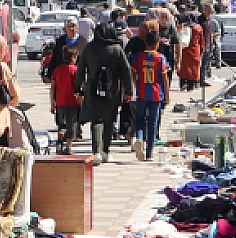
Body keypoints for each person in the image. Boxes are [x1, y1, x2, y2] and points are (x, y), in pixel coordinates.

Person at [76, 22, 133, 165]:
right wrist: (129, 91)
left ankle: (96, 152)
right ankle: (106, 151)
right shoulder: (116, 49)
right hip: (113, 88)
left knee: (96, 120)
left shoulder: (89, 48)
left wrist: (77, 88)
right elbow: (126, 70)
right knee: (109, 119)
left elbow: (81, 69)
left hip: (93, 88)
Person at [131, 30, 170, 161]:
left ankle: (139, 138)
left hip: (142, 92)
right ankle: (149, 153)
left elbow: (133, 73)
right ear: (157, 43)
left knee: (139, 120)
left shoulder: (138, 56)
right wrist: (167, 95)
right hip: (156, 94)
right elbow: (165, 78)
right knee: (153, 122)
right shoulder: (160, 58)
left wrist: (136, 85)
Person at [52, 44, 82, 155]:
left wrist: (52, 102)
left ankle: (59, 142)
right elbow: (79, 86)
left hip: (60, 101)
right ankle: (68, 147)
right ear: (73, 57)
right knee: (71, 125)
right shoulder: (76, 70)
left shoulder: (57, 70)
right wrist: (81, 100)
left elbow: (53, 88)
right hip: (73, 102)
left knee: (61, 124)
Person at [39, 18, 82, 83]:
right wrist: (49, 75)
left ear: (77, 27)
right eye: (69, 26)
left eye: (73, 26)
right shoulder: (60, 41)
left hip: (76, 76)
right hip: (61, 76)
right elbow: (54, 59)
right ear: (65, 28)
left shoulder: (83, 42)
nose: (71, 29)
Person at [178, 11, 206, 94]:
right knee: (193, 69)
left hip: (183, 50)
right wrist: (202, 50)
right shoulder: (198, 28)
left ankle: (182, 84)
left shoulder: (181, 26)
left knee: (183, 68)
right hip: (195, 50)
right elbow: (201, 41)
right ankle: (190, 86)